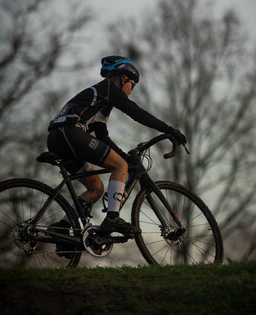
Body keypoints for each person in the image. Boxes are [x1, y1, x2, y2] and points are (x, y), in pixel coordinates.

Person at [47, 55, 187, 236]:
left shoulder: (99, 100)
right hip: (70, 132)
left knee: (96, 189)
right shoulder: (108, 89)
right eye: (132, 85)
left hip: (57, 138)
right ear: (123, 78)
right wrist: (170, 130)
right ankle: (112, 218)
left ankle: (63, 226)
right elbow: (137, 113)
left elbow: (102, 137)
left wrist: (123, 155)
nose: (131, 91)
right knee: (120, 166)